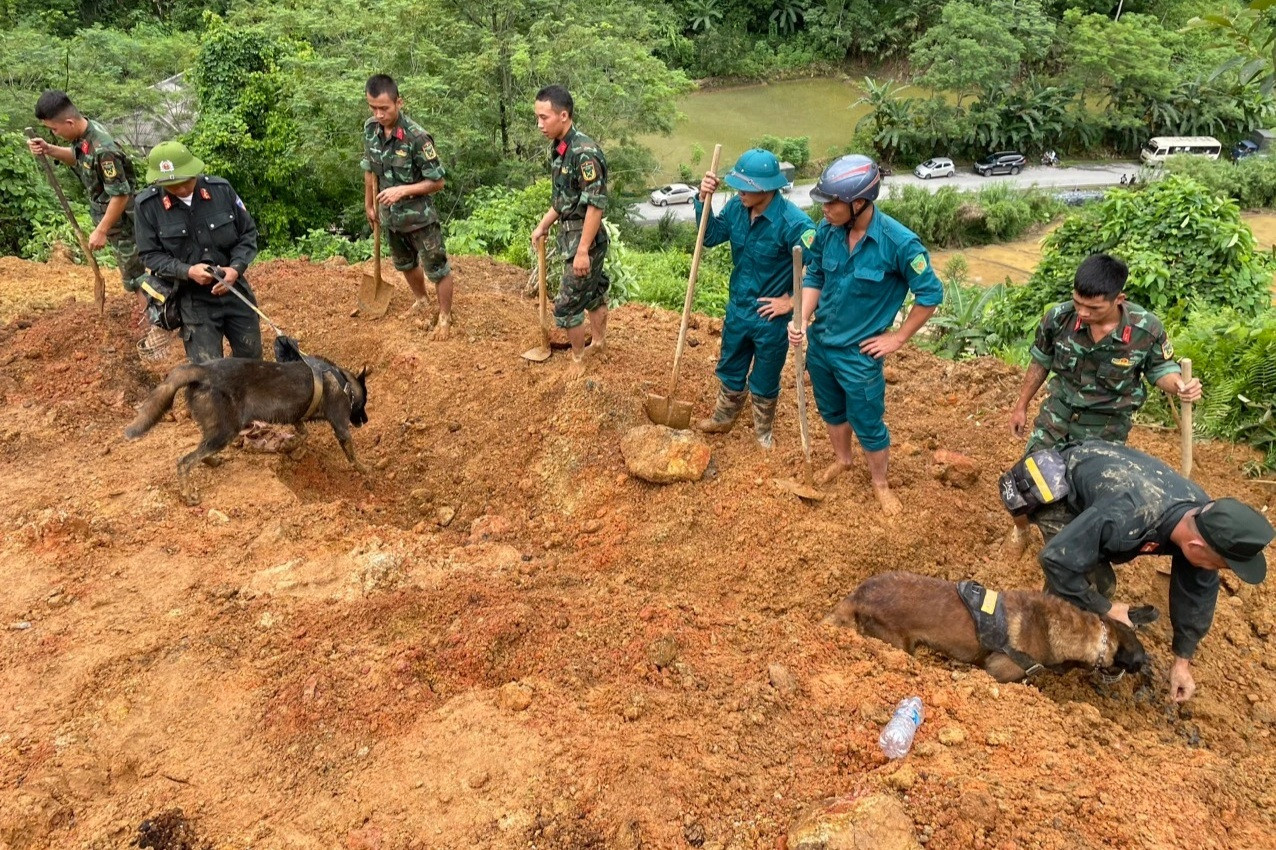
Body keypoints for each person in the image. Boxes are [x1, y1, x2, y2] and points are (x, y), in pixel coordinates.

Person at [1016, 440, 1273, 703]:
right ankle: (1034, 650)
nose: (1216, 571)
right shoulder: (1125, 518)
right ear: (1196, 546)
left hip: (1109, 492)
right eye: (1219, 565)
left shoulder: (1203, 519)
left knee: (1095, 583)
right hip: (1060, 487)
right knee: (1096, 583)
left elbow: (1198, 589)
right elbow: (1056, 559)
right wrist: (1106, 608)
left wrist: (1182, 661)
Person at [1005, 253, 1201, 555]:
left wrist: (1180, 386)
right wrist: (1021, 405)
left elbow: (1161, 370)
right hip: (1058, 417)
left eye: (1093, 307)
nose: (1082, 312)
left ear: (1118, 299)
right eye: (1077, 302)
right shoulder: (1059, 318)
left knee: (1087, 495)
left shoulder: (1145, 330)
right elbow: (1040, 362)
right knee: (1025, 482)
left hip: (1106, 429)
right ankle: (1020, 530)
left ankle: (1074, 551)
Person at [788, 154, 943, 514]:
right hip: (823, 344)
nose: (825, 209)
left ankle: (880, 482)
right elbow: (815, 275)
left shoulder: (899, 244)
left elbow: (931, 295)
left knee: (867, 420)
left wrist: (899, 338)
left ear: (859, 203)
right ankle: (843, 460)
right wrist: (801, 317)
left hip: (859, 354)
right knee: (831, 409)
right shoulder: (827, 231)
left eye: (832, 202)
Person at [693, 149, 815, 448]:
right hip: (739, 308)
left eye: (746, 186)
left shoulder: (795, 224)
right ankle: (723, 418)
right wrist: (702, 200)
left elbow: (820, 268)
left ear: (767, 188)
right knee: (731, 364)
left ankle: (763, 430)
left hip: (770, 319)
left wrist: (791, 302)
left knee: (765, 374)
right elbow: (710, 236)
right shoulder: (737, 207)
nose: (739, 191)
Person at [133, 140, 263, 362]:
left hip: (234, 290)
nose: (182, 189)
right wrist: (187, 271)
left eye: (186, 181)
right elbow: (150, 254)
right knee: (208, 370)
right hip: (192, 299)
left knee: (251, 359)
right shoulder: (147, 206)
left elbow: (248, 233)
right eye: (173, 186)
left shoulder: (221, 190)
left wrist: (235, 269)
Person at [27, 89, 146, 299]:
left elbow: (120, 195)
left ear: (70, 122)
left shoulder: (104, 149)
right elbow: (79, 157)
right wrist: (49, 149)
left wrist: (101, 230)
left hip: (125, 223)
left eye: (54, 130)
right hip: (115, 224)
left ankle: (156, 326)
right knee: (133, 273)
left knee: (137, 278)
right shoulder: (85, 134)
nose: (55, 134)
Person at [361, 74, 455, 340]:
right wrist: (369, 204)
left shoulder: (417, 138)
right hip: (390, 217)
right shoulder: (370, 130)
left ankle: (445, 316)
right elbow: (370, 169)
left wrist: (404, 190)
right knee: (404, 264)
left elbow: (437, 181)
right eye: (373, 108)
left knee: (437, 268)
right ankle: (422, 300)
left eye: (384, 108)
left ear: (398, 102)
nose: (379, 114)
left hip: (420, 219)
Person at [530, 84, 609, 377]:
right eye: (537, 118)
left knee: (566, 305)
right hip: (571, 234)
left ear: (564, 115)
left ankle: (578, 360)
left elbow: (595, 205)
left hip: (584, 238)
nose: (540, 125)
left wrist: (583, 251)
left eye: (544, 117)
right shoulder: (561, 148)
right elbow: (565, 199)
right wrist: (543, 224)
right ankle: (598, 343)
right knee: (593, 294)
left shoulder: (584, 153)